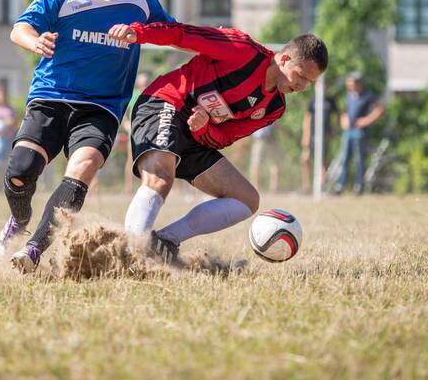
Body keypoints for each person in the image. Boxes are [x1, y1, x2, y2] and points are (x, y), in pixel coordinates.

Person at [0, 0, 173, 272]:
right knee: (21, 171)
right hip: (52, 95)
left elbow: (171, 31)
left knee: (84, 167)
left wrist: (141, 31)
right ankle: (19, 220)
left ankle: (31, 252)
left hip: (102, 105)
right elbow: (20, 28)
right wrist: (35, 42)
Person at [112, 22, 328, 260]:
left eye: (308, 82)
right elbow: (185, 35)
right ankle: (131, 253)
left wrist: (205, 127)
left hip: (196, 135)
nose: (301, 86)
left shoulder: (274, 108)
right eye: (300, 76)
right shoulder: (242, 50)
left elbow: (225, 137)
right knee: (160, 179)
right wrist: (140, 33)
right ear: (285, 59)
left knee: (247, 199)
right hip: (166, 102)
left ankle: (163, 242)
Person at [331, 72, 385, 195]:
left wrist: (367, 120)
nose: (349, 85)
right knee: (345, 159)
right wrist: (343, 120)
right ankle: (341, 185)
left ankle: (359, 186)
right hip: (348, 132)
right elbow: (345, 111)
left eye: (352, 83)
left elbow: (380, 109)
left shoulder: (368, 95)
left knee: (359, 159)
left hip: (360, 132)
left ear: (358, 83)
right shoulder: (349, 96)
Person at [121, 72, 150, 193]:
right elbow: (123, 113)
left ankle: (146, 185)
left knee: (147, 158)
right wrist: (127, 124)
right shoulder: (133, 96)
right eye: (142, 84)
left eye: (146, 84)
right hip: (134, 132)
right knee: (131, 159)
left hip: (148, 131)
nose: (144, 86)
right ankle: (129, 187)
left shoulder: (151, 95)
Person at [248, 124, 279, 194]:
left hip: (269, 137)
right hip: (263, 137)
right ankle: (256, 187)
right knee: (257, 163)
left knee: (274, 163)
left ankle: (273, 188)